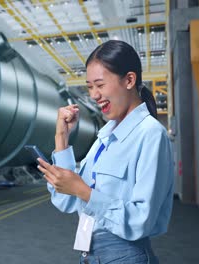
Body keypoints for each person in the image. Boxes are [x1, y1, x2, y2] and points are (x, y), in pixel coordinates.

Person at [37, 40, 174, 264]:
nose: (93, 94)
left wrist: (84, 191)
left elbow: (142, 220)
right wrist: (61, 138)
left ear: (129, 80)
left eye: (100, 85)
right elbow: (66, 201)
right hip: (90, 254)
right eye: (90, 87)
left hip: (125, 255)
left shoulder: (150, 134)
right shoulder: (104, 137)